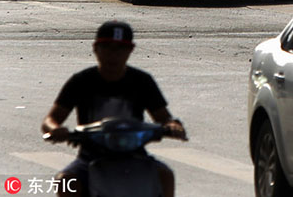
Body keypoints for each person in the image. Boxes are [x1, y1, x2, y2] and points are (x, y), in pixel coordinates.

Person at [41, 21, 187, 197]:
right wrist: (56, 129)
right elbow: (51, 119)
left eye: (120, 49)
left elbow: (163, 117)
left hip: (135, 155)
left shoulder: (142, 81)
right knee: (66, 181)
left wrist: (172, 126)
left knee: (165, 175)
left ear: (130, 50)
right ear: (96, 49)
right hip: (91, 158)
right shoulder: (81, 81)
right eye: (107, 47)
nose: (113, 55)